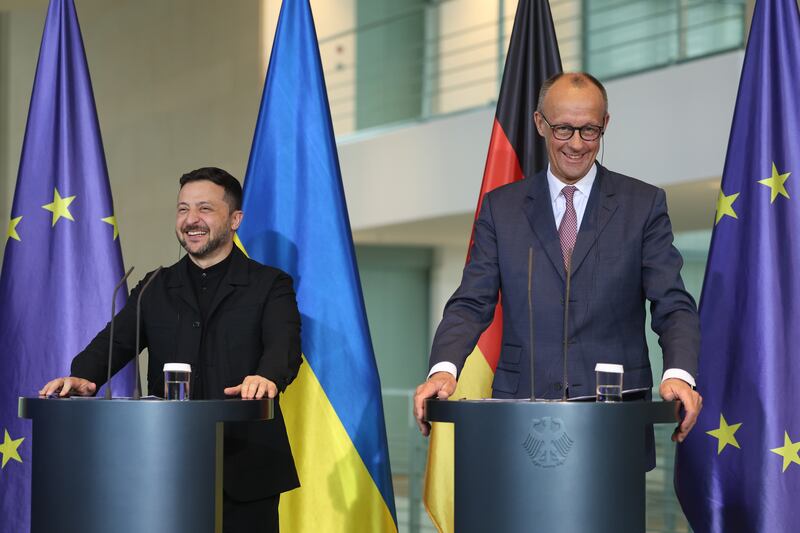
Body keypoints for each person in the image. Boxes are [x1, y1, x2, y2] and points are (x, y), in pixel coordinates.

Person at [413, 72, 703, 446]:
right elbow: (471, 302)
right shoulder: (502, 208)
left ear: (606, 125)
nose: (577, 144)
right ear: (540, 123)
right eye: (564, 129)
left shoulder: (643, 205)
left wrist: (678, 373)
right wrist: (443, 369)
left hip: (615, 422)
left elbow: (673, 304)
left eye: (590, 131)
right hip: (521, 421)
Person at [40, 167, 301, 533]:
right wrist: (84, 376)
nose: (191, 220)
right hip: (164, 464)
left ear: (235, 219)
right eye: (183, 209)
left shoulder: (269, 284)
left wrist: (267, 377)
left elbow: (284, 346)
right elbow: (115, 341)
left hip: (246, 467)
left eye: (205, 209)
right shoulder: (155, 286)